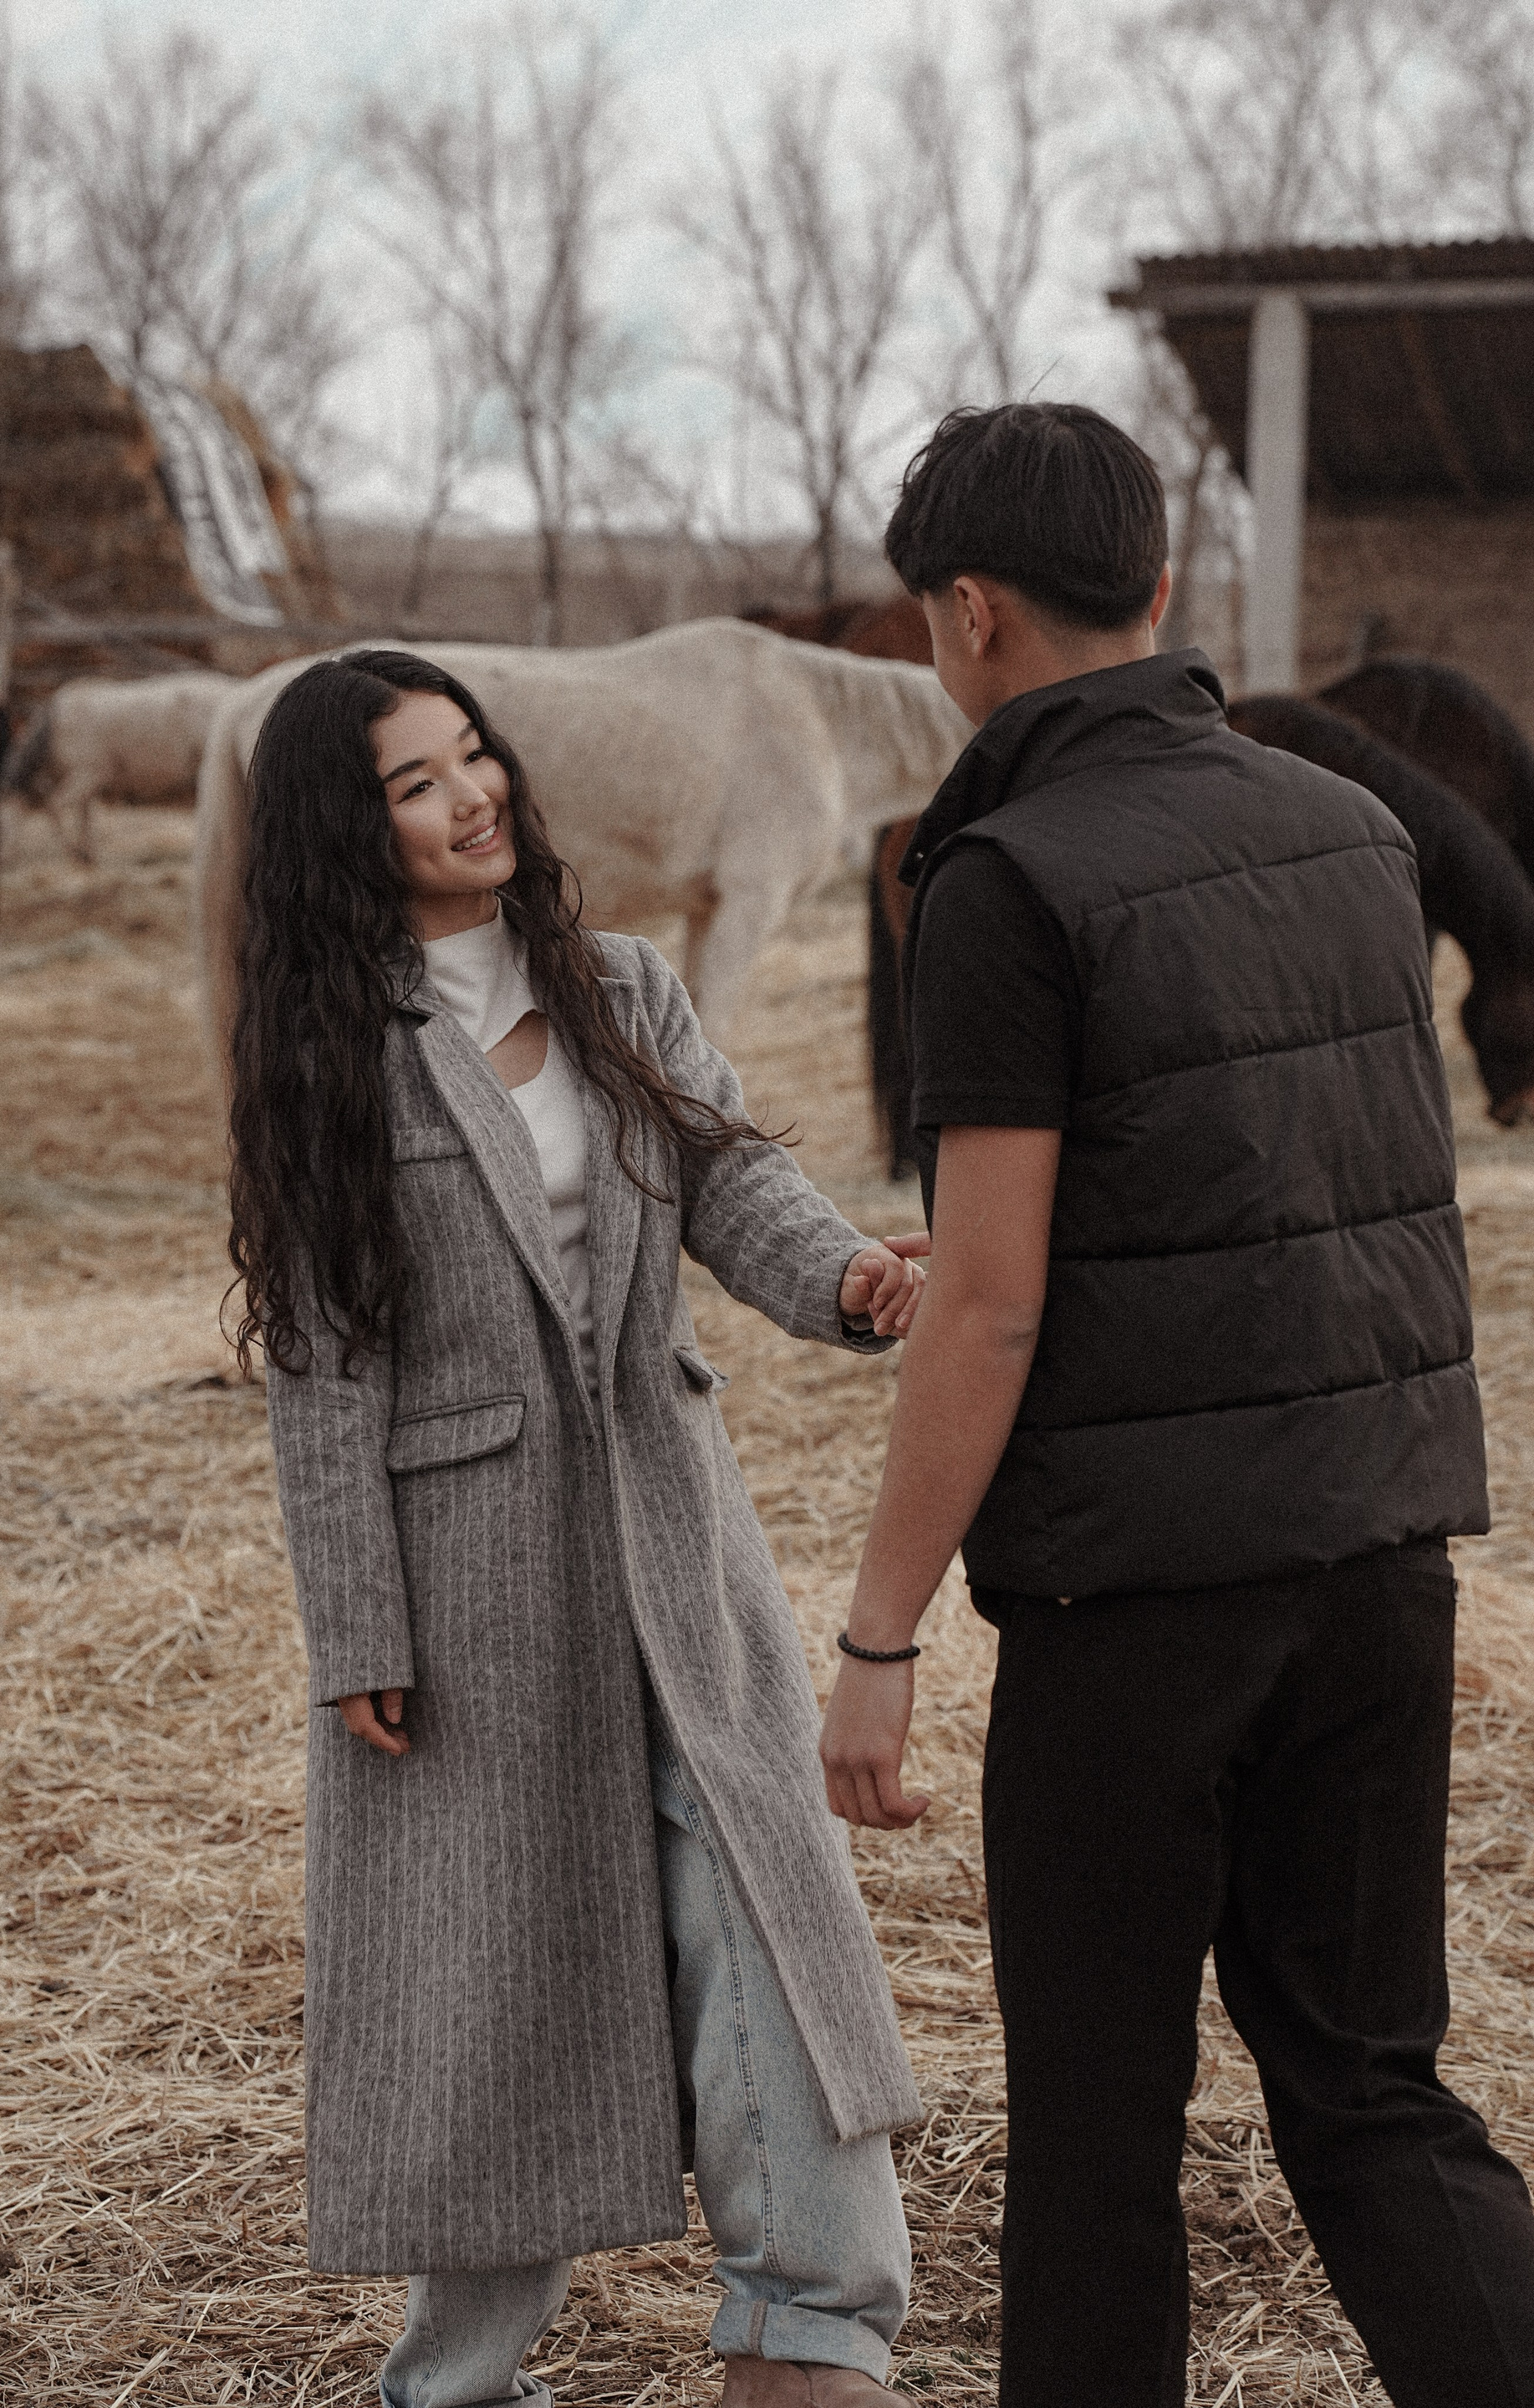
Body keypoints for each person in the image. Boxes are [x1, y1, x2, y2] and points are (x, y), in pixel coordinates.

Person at [818, 405, 1534, 2407]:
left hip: (1137, 1611)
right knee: (1376, 2090)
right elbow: (1279, 1182)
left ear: (967, 613)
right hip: (1379, 1560)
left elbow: (993, 1306)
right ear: (1159, 587)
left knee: (1098, 2136)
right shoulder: (1353, 833)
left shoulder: (1003, 876)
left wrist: (880, 1635)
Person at [227, 649, 928, 2408]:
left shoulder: (619, 984)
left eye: (474, 755)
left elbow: (730, 1174)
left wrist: (844, 1275)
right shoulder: (326, 1052)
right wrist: (356, 1624)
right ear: (344, 829)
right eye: (415, 782)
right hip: (465, 1579)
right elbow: (322, 1361)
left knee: (765, 1901)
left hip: (675, 1533)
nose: (472, 795)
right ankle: (454, 2385)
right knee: (495, 1984)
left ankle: (812, 2322)